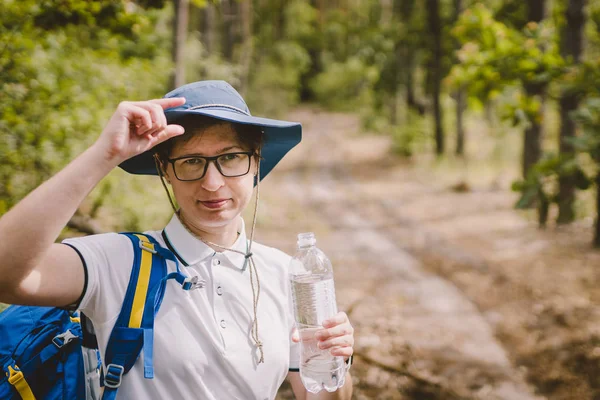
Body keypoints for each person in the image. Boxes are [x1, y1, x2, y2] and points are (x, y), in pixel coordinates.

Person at [0, 80, 354, 399]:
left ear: (256, 161)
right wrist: (103, 155)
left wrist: (336, 361)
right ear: (165, 170)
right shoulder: (118, 262)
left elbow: (318, 395)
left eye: (230, 158)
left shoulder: (284, 273)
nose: (212, 183)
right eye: (191, 162)